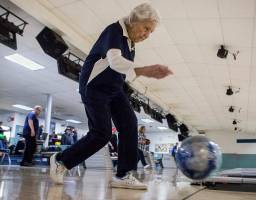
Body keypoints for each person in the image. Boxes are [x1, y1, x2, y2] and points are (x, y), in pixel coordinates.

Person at [49, 3, 172, 190]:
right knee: (101, 134)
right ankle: (60, 160)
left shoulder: (131, 43)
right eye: (146, 28)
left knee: (130, 124)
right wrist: (144, 70)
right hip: (94, 87)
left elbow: (121, 70)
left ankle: (123, 175)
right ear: (134, 20)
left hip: (114, 88)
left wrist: (133, 76)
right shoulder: (114, 30)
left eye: (150, 32)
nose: (147, 35)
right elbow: (115, 61)